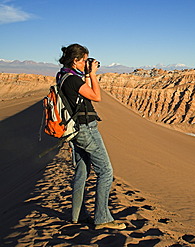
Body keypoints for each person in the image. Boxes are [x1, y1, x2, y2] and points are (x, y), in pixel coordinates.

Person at [57, 43, 125, 230]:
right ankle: (102, 218)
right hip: (86, 129)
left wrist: (86, 74)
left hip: (76, 130)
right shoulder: (72, 79)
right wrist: (93, 74)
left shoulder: (64, 76)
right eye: (84, 60)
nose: (87, 63)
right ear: (75, 60)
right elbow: (96, 96)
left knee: (82, 170)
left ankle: (77, 216)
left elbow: (82, 94)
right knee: (105, 171)